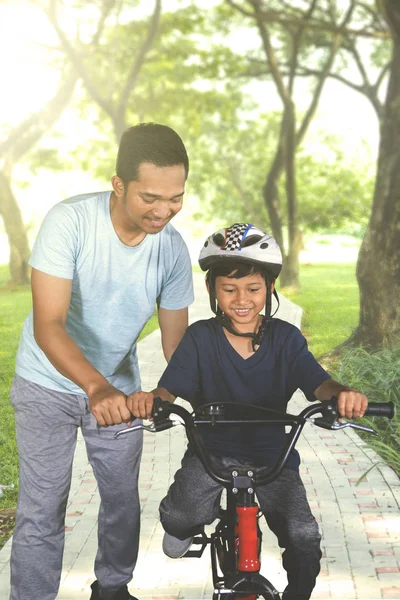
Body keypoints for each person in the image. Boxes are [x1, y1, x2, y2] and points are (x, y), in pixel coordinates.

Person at [128, 223, 368, 600]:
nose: (242, 299)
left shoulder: (285, 339)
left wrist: (341, 395)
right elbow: (168, 388)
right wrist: (153, 400)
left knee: (304, 537)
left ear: (270, 289)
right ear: (212, 291)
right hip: (212, 453)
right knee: (180, 516)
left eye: (253, 289)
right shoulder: (200, 338)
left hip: (274, 456)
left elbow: (319, 383)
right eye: (229, 289)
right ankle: (183, 528)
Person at [9, 123, 194, 600]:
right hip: (46, 386)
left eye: (175, 197)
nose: (163, 211)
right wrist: (97, 388)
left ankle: (112, 589)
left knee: (120, 502)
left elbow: (178, 348)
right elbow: (49, 324)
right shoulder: (69, 221)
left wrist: (167, 393)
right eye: (151, 197)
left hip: (120, 390)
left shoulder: (172, 248)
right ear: (119, 185)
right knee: (43, 507)